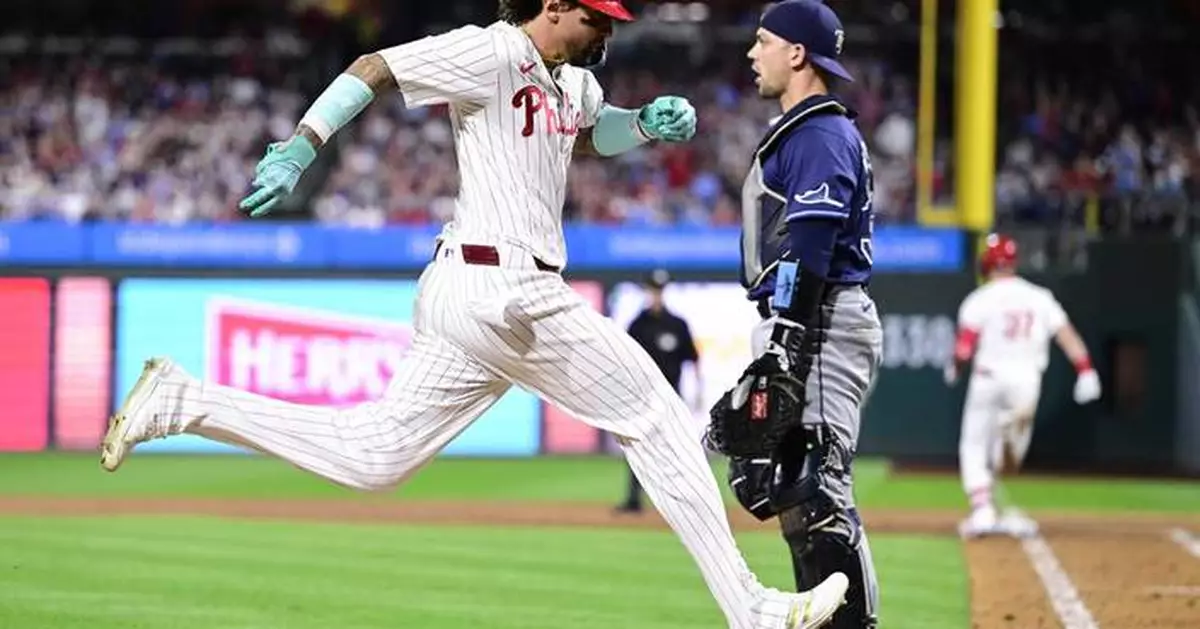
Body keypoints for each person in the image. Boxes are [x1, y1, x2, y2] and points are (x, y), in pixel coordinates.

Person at [99, 1, 850, 627]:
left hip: (474, 297)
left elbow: (587, 135)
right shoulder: (489, 52)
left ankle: (184, 401)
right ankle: (751, 609)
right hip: (503, 284)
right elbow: (375, 69)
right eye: (598, 15)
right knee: (653, 410)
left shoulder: (572, 81)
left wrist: (644, 125)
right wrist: (304, 144)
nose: (610, 30)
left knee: (378, 455)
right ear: (553, 6)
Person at [704, 1, 882, 627]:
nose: (753, 54)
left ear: (797, 53)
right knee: (795, 493)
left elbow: (811, 245)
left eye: (763, 42)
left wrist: (786, 339)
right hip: (806, 318)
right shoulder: (804, 131)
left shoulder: (819, 133)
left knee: (819, 486)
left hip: (822, 318)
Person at [945, 233, 1102, 539]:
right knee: (1010, 458)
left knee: (974, 444)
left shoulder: (979, 299)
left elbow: (964, 349)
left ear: (986, 264)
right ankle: (1006, 439)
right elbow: (1066, 334)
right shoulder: (1039, 296)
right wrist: (1086, 370)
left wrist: (954, 367)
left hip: (989, 378)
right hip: (1026, 380)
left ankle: (982, 510)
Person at [615, 268, 702, 514]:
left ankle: (683, 501)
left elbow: (693, 359)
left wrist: (699, 390)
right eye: (652, 290)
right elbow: (625, 359)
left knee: (676, 448)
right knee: (637, 446)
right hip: (643, 396)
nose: (655, 295)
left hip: (672, 396)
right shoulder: (638, 324)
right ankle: (633, 499)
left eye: (659, 290)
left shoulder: (677, 324)